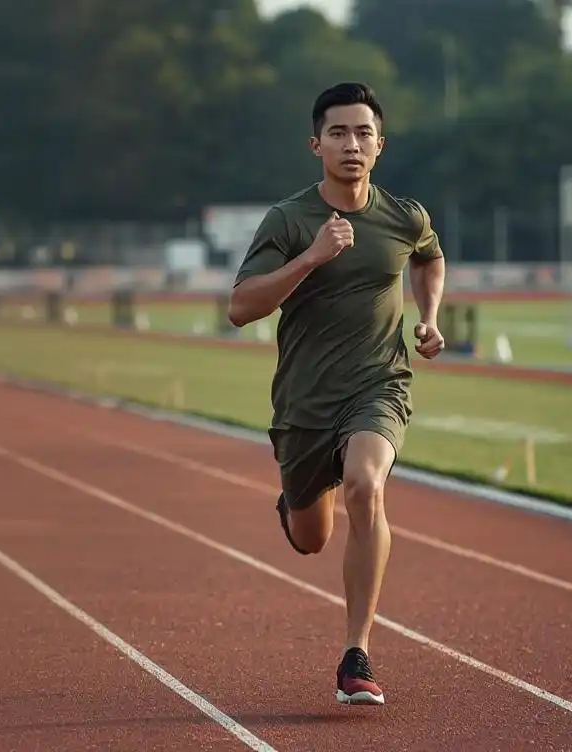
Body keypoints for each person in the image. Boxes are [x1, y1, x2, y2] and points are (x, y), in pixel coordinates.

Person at [227, 82, 447, 706]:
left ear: (380, 144)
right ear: (316, 144)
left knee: (365, 486)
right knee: (311, 538)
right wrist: (311, 259)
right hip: (304, 402)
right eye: (339, 133)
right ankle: (296, 499)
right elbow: (240, 308)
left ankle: (357, 653)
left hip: (378, 386)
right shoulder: (291, 220)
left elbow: (429, 258)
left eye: (363, 133)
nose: (352, 144)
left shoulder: (405, 216)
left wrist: (429, 316)